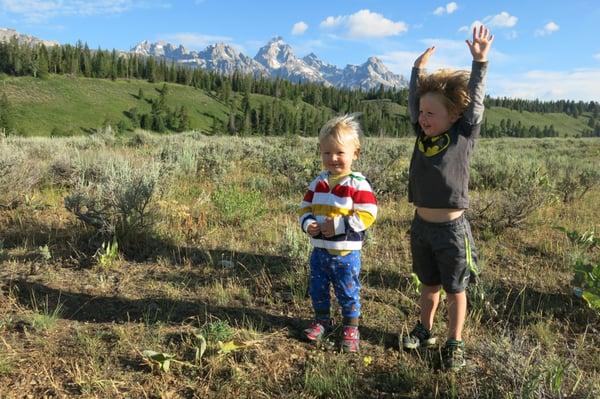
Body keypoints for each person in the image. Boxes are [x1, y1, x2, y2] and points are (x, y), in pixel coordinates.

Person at [402, 25, 494, 370]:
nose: (423, 119)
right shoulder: (421, 133)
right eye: (421, 113)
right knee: (428, 287)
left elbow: (476, 103)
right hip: (421, 227)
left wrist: (480, 64)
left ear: (453, 116)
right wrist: (416, 71)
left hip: (452, 232)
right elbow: (414, 103)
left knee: (456, 290)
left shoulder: (462, 135)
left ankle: (455, 342)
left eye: (431, 114)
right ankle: (425, 330)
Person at [298, 114, 378, 353]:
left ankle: (351, 327)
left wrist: (340, 226)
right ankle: (322, 321)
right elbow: (305, 207)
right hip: (320, 250)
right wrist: (308, 223)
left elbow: (368, 214)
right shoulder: (318, 182)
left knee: (348, 290)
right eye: (326, 153)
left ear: (355, 153)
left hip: (345, 253)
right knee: (317, 288)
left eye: (339, 153)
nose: (332, 159)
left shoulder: (358, 184)